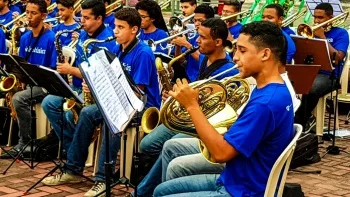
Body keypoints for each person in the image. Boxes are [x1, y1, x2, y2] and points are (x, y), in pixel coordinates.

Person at [153, 20, 294, 197]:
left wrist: (192, 105)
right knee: (160, 190)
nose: (235, 57)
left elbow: (221, 153)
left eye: (242, 51)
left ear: (265, 54)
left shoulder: (265, 103)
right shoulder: (273, 89)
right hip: (235, 177)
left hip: (242, 190)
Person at [42, 7, 161, 197]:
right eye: (115, 26)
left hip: (142, 106)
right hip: (121, 100)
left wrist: (108, 97)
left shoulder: (143, 53)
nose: (115, 31)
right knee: (88, 113)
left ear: (134, 29)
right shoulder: (116, 47)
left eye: (121, 27)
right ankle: (73, 170)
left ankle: (102, 180)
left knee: (111, 118)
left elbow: (139, 93)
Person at [136, 18, 239, 197]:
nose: (197, 41)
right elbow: (197, 89)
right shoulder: (204, 59)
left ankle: (146, 190)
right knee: (147, 144)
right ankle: (153, 184)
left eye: (202, 37)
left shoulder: (229, 70)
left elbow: (219, 108)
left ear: (218, 42)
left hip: (203, 122)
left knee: (168, 146)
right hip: (189, 114)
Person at [0, 0, 57, 158]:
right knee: (15, 94)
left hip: (46, 86)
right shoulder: (25, 37)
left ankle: (24, 142)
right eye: (27, 12)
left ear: (44, 15)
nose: (29, 17)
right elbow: (21, 65)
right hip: (29, 84)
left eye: (34, 13)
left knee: (19, 98)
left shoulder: (51, 38)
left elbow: (52, 71)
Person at [295, 3, 349, 132]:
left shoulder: (341, 33)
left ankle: (299, 122)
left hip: (329, 75)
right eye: (315, 17)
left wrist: (322, 38)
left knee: (311, 88)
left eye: (321, 18)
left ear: (330, 17)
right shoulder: (310, 32)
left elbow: (338, 58)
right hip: (309, 70)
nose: (316, 21)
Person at [171, 4, 214, 82]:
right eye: (195, 20)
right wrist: (178, 45)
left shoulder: (212, 39)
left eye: (200, 21)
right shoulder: (194, 37)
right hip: (187, 77)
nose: (196, 24)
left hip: (201, 80)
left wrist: (186, 44)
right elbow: (180, 60)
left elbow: (205, 61)